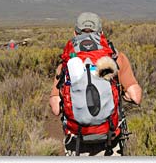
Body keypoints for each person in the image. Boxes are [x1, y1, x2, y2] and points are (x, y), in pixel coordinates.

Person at [49, 12, 142, 156]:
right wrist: (121, 93)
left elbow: (56, 108)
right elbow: (136, 96)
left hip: (77, 142)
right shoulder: (115, 58)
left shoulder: (66, 62)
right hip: (109, 140)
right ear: (101, 33)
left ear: (74, 33)